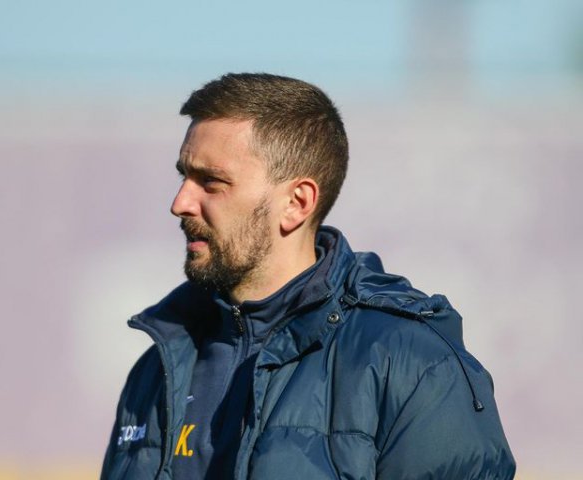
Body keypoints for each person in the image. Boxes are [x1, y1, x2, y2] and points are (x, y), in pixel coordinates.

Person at [101, 73, 516, 480]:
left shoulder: (410, 364)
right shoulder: (159, 368)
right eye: (184, 176)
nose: (180, 203)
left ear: (297, 203)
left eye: (211, 182)